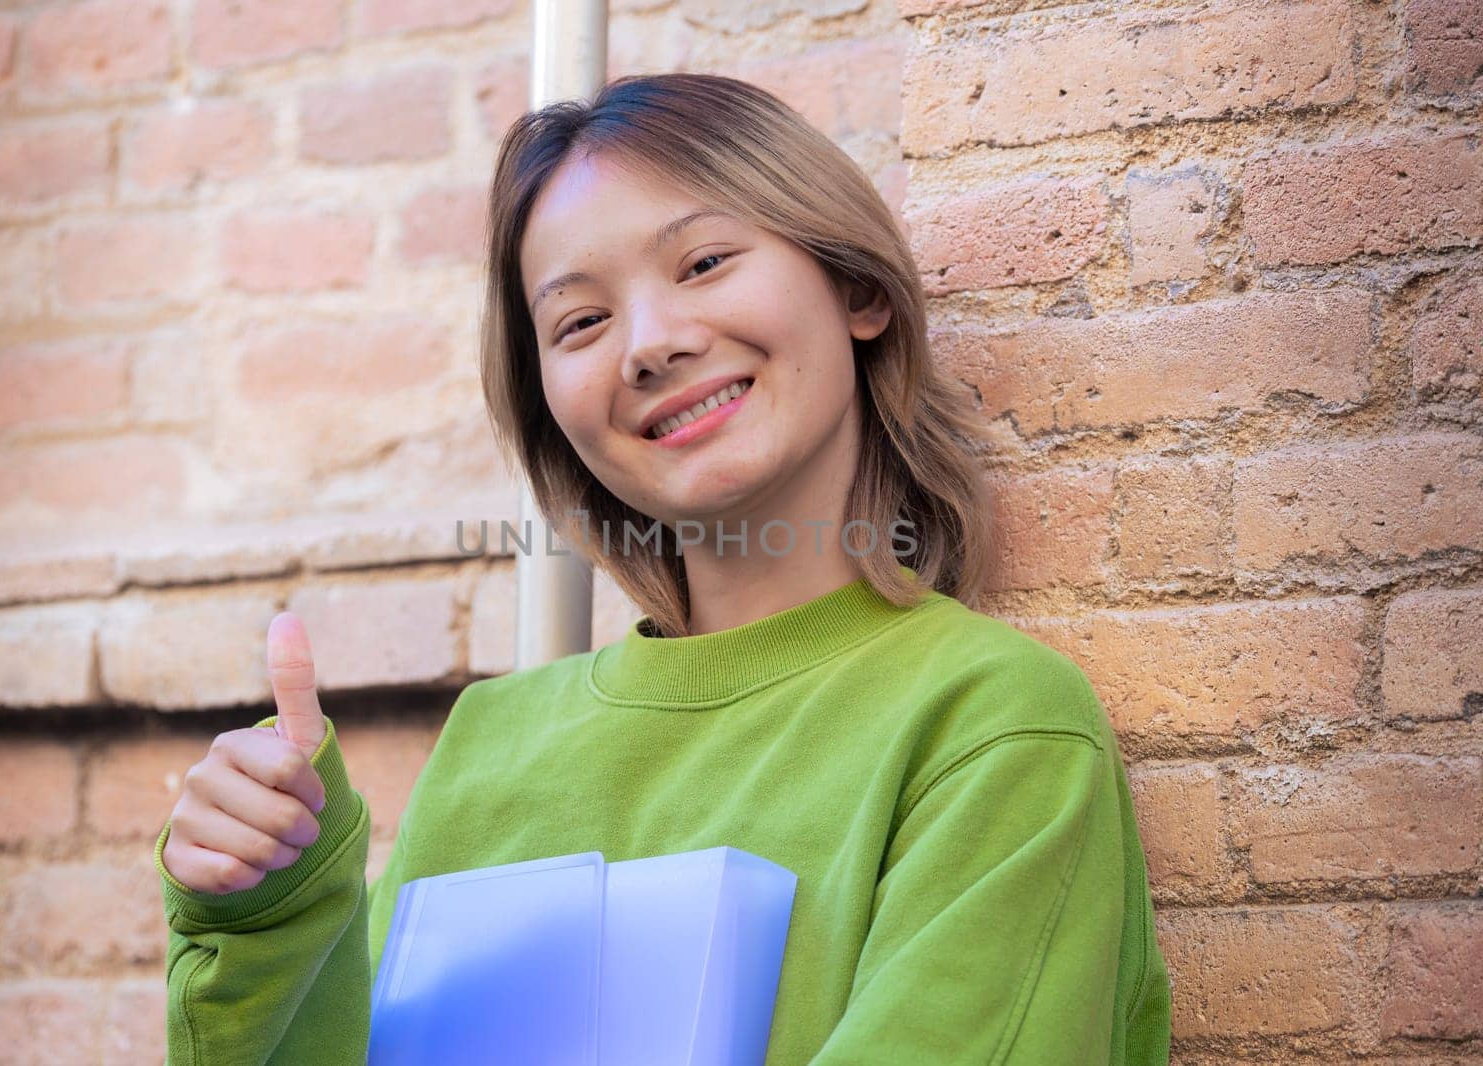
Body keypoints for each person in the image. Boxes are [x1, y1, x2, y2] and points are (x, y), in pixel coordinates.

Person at [155, 72, 1173, 1064]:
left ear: (856, 287)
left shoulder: (993, 724)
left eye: (702, 263)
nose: (646, 345)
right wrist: (268, 916)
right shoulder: (490, 742)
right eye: (580, 322)